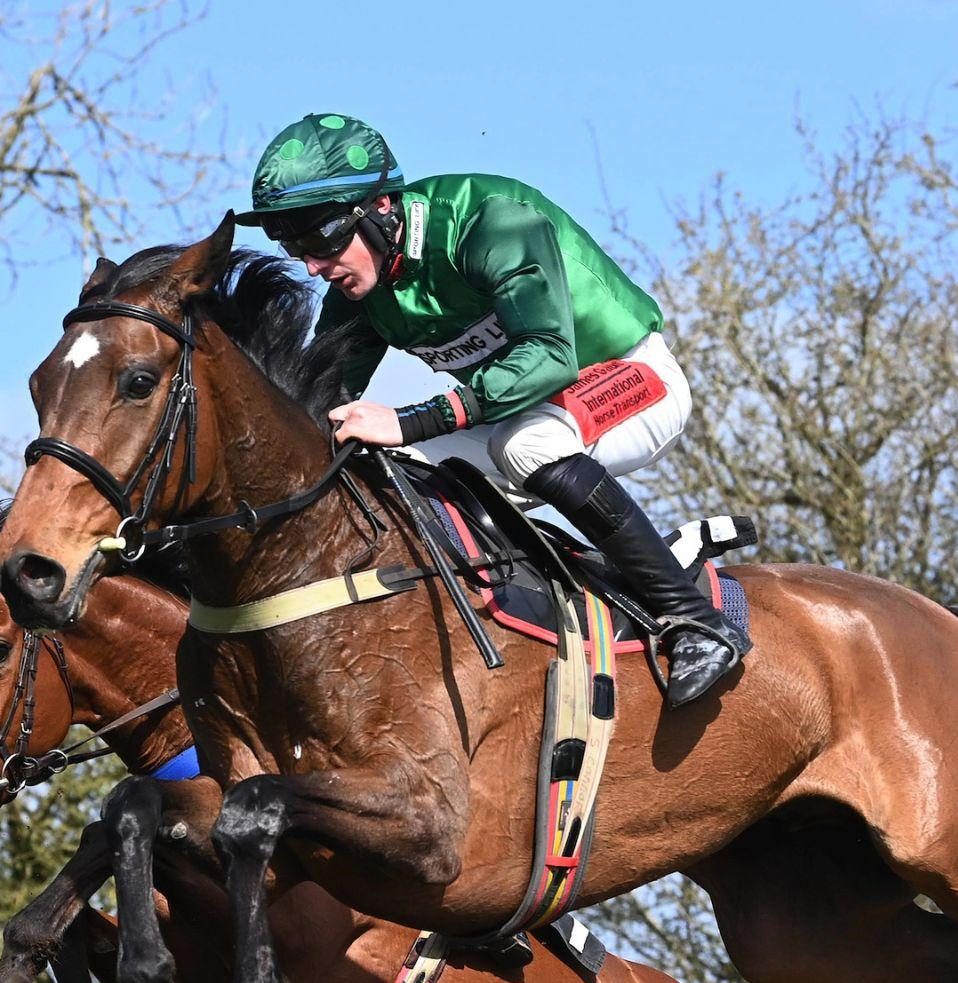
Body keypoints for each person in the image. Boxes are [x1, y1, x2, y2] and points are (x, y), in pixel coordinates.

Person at [232, 113, 750, 708]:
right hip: (515, 416)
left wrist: (408, 419)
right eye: (293, 247)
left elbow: (551, 358)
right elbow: (313, 404)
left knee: (523, 446)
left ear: (380, 208)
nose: (312, 267)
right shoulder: (364, 288)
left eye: (321, 243)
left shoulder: (490, 222)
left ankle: (695, 620)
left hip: (627, 379)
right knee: (382, 469)